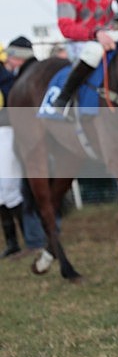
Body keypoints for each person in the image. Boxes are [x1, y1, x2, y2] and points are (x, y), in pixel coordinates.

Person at [0, 37, 45, 257]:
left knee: (11, 188)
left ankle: (32, 240)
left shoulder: (8, 79)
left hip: (8, 132)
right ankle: (15, 242)